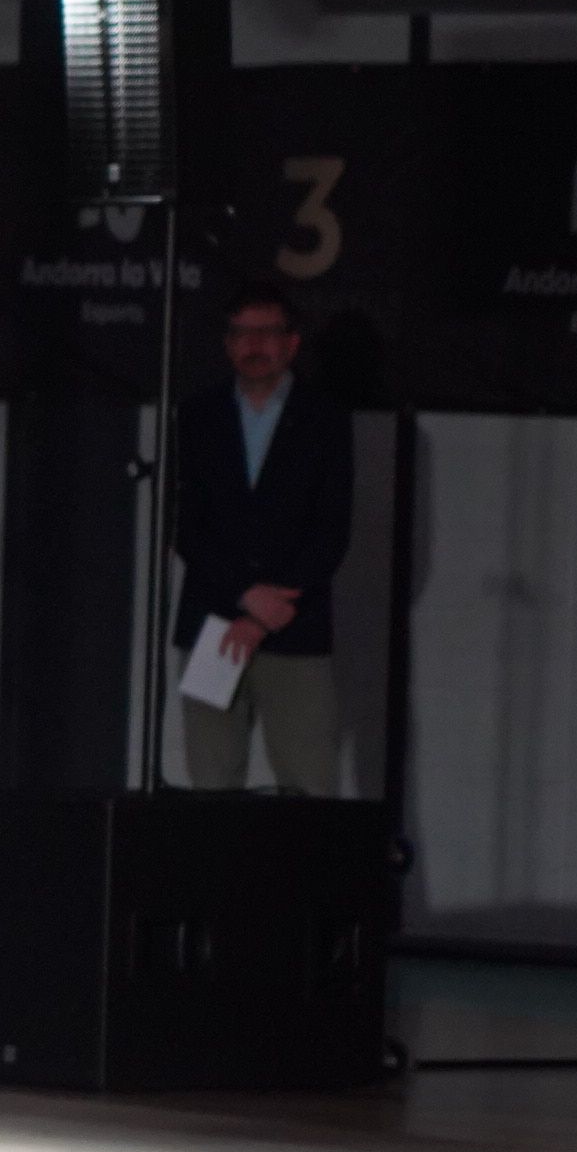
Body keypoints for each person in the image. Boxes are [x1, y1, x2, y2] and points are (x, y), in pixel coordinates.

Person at [170, 280, 356, 794]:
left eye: (268, 333)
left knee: (308, 781)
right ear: (227, 343)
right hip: (212, 622)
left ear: (292, 343)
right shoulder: (197, 416)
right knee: (211, 779)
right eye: (242, 334)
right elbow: (185, 525)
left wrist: (261, 615)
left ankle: (299, 879)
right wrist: (244, 595)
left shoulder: (325, 420)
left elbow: (330, 532)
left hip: (293, 627)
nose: (254, 345)